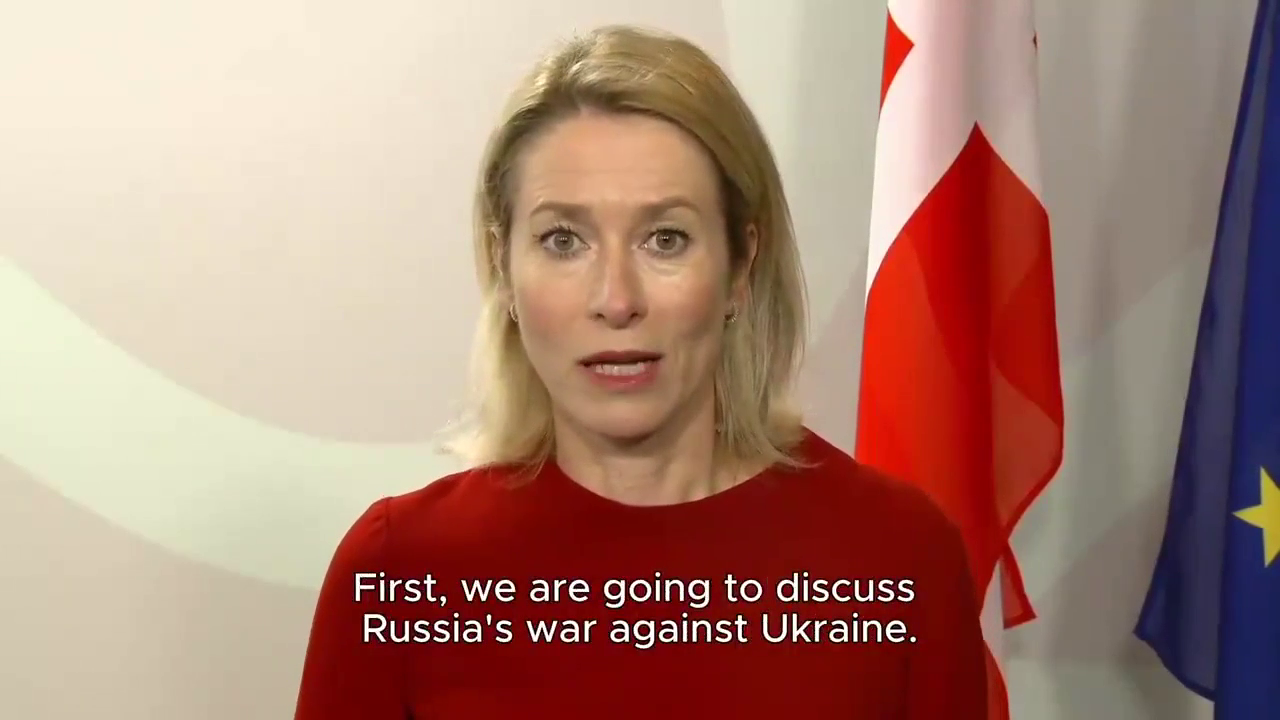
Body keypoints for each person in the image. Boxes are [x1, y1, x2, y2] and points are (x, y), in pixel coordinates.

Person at [293, 23, 987, 720]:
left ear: (740, 266)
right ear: (504, 268)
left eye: (666, 239)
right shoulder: (398, 575)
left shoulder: (898, 557)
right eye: (563, 240)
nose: (617, 299)